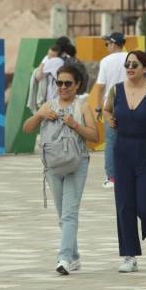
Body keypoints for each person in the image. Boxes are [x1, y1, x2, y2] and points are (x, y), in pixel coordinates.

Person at [22, 65, 99, 275]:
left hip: (77, 163)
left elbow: (95, 136)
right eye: (59, 83)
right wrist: (40, 115)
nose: (63, 87)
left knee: (69, 214)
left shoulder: (83, 106)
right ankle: (73, 256)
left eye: (68, 83)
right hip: (53, 165)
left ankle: (63, 258)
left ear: (78, 85)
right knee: (62, 214)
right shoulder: (49, 105)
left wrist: (75, 124)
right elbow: (27, 128)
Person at [104, 50, 146, 273]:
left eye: (135, 65)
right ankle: (129, 255)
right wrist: (109, 119)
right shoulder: (116, 90)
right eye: (127, 64)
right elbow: (106, 109)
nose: (130, 68)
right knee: (124, 204)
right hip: (122, 151)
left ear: (145, 68)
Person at [97, 32, 128, 188]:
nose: (106, 47)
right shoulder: (131, 57)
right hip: (131, 104)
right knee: (131, 140)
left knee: (111, 142)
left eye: (107, 44)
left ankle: (112, 178)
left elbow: (101, 86)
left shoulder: (105, 61)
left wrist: (98, 107)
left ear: (114, 44)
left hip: (111, 106)